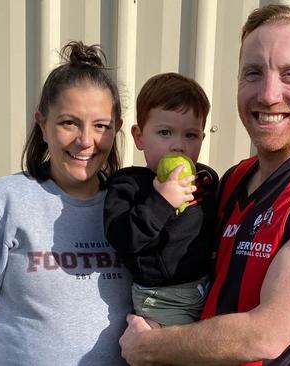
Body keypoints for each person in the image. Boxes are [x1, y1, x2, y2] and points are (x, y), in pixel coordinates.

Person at [119, 5, 290, 366]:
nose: (268, 95)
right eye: (253, 73)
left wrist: (147, 346)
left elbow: (266, 335)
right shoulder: (232, 178)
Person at [0, 41, 132, 365]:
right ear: (42, 124)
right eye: (68, 123)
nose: (85, 141)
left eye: (100, 126)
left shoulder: (133, 208)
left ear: (116, 130)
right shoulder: (2, 203)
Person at [104, 73, 218, 326]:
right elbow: (122, 238)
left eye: (191, 135)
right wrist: (162, 201)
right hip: (162, 299)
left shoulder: (206, 179)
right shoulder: (129, 184)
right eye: (165, 132)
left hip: (205, 290)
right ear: (139, 137)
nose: (178, 145)